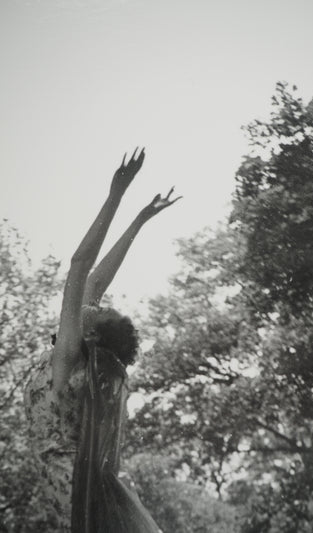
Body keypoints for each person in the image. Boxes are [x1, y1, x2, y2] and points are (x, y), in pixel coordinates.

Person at [24, 148, 180, 532]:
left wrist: (116, 195)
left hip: (79, 492)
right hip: (83, 487)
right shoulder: (82, 365)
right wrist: (140, 220)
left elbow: (80, 267)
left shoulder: (66, 361)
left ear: (90, 333)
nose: (96, 301)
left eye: (101, 309)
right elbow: (95, 279)